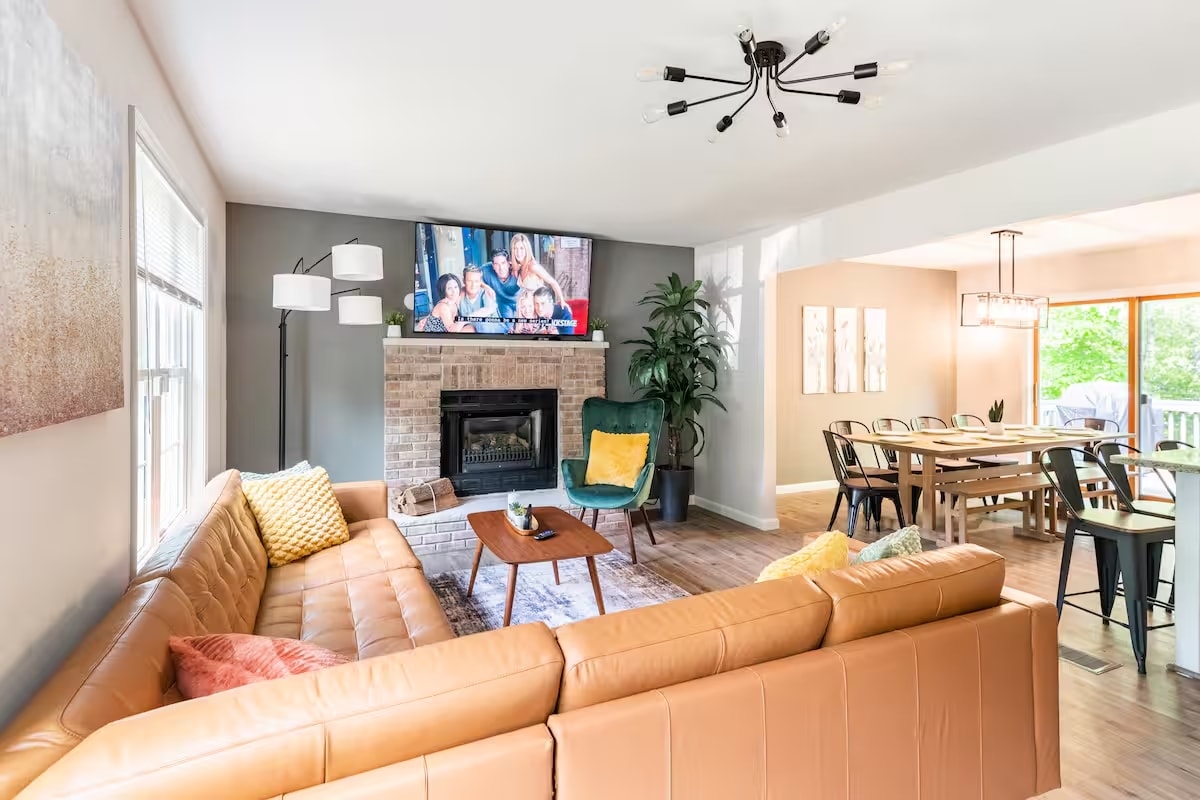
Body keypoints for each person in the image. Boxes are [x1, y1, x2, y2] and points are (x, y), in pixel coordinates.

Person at [510, 233, 567, 307]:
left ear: (527, 249)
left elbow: (552, 282)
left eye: (522, 248)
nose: (518, 252)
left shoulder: (532, 266)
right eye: (515, 248)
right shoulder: (519, 268)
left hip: (541, 307)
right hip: (529, 309)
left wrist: (562, 300)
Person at [457, 264, 506, 334]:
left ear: (480, 282)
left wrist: (463, 322)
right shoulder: (460, 296)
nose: (473, 285)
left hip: (495, 331)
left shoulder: (486, 293)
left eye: (476, 281)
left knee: (481, 325)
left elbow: (488, 310)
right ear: (464, 281)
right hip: (473, 334)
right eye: (469, 281)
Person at [482, 248, 522, 318]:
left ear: (508, 263)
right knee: (507, 324)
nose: (501, 268)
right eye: (496, 264)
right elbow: (472, 277)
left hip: (521, 302)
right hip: (504, 304)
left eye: (503, 263)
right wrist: (486, 287)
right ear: (493, 266)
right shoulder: (487, 270)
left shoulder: (517, 270)